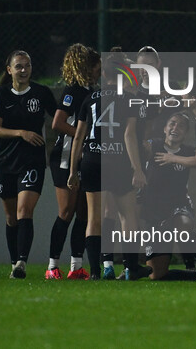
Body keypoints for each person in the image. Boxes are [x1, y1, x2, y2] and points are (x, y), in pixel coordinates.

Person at [68, 51, 151, 281]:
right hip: (119, 163)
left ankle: (95, 271)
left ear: (103, 73)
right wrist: (137, 168)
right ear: (123, 74)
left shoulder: (89, 99)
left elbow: (78, 137)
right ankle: (131, 267)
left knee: (94, 218)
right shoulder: (128, 99)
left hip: (92, 161)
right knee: (128, 215)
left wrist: (74, 170)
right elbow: (129, 136)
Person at [0, 50, 57, 279]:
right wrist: (21, 133)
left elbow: (59, 118)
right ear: (9, 70)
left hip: (33, 162)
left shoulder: (41, 93)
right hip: (6, 162)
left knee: (24, 211)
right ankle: (13, 263)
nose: (23, 70)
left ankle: (22, 262)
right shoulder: (1, 94)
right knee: (10, 217)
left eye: (27, 65)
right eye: (18, 66)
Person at [45, 43, 100, 280]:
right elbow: (57, 123)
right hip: (65, 157)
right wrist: (84, 136)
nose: (99, 69)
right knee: (66, 211)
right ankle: (51, 266)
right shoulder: (73, 91)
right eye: (96, 65)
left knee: (83, 213)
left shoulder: (93, 91)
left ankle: (76, 266)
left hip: (83, 158)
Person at [141, 112, 196, 280]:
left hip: (179, 205)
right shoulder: (154, 145)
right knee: (156, 275)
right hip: (155, 212)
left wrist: (173, 158)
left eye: (181, 126)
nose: (176, 128)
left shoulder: (190, 151)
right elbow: (140, 144)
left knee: (182, 225)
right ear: (164, 128)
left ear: (187, 133)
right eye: (172, 123)